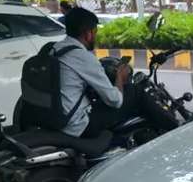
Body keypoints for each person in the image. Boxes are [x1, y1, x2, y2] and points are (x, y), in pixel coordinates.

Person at [55, 7, 177, 138]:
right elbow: (115, 100)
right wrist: (119, 76)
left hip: (57, 117)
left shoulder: (55, 49)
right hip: (77, 124)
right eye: (95, 32)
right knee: (136, 92)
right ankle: (177, 131)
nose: (95, 36)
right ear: (88, 34)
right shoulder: (82, 57)